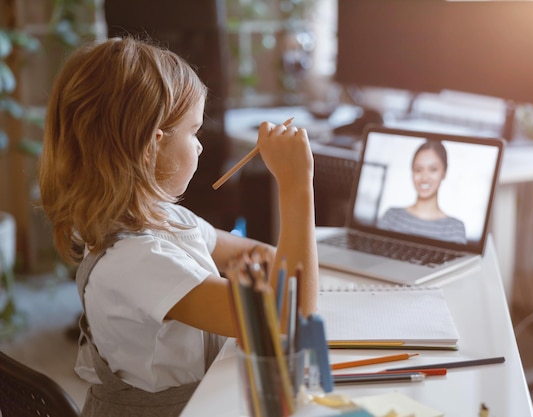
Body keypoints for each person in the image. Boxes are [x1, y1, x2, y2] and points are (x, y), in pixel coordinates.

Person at [38, 36, 318, 416]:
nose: (200, 146)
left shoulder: (164, 216)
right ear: (152, 145)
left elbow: (257, 256)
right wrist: (297, 188)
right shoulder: (137, 261)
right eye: (194, 131)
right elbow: (286, 317)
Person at [378, 140, 466, 244]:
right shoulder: (392, 217)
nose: (424, 177)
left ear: (444, 173)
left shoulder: (454, 229)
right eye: (418, 170)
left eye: (433, 169)